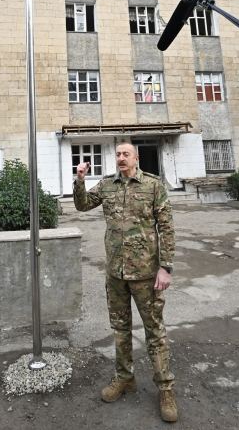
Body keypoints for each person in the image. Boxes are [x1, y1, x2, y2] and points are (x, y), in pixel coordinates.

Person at [73, 142, 177, 423]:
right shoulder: (107, 186)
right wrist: (80, 180)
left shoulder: (153, 186)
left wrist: (165, 268)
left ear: (136, 158)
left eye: (125, 154)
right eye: (117, 154)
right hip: (116, 274)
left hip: (146, 273)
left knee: (154, 331)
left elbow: (166, 226)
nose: (120, 158)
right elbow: (82, 206)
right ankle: (124, 378)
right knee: (120, 330)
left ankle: (165, 389)